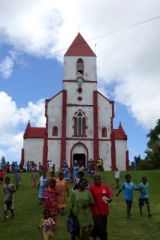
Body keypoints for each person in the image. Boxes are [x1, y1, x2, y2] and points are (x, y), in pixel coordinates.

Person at [89, 174, 112, 240]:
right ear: (93, 181)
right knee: (101, 227)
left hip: (104, 210)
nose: (97, 181)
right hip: (96, 210)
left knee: (103, 226)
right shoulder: (91, 188)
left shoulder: (105, 186)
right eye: (95, 180)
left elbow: (109, 194)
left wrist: (110, 199)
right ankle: (104, 238)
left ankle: (93, 234)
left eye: (98, 179)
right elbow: (89, 198)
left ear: (100, 179)